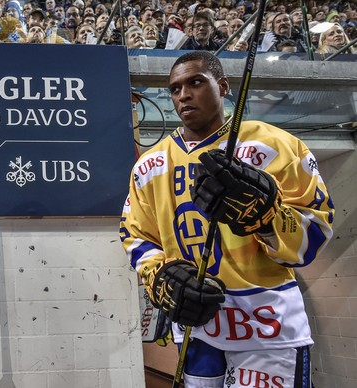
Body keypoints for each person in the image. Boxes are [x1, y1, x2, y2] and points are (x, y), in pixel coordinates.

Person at [120, 51, 334, 388]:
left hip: (267, 325)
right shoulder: (148, 165)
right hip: (198, 326)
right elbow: (136, 236)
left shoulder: (276, 145)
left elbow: (316, 231)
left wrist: (268, 219)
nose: (184, 95)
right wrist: (161, 278)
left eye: (195, 83)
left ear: (222, 86)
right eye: (175, 89)